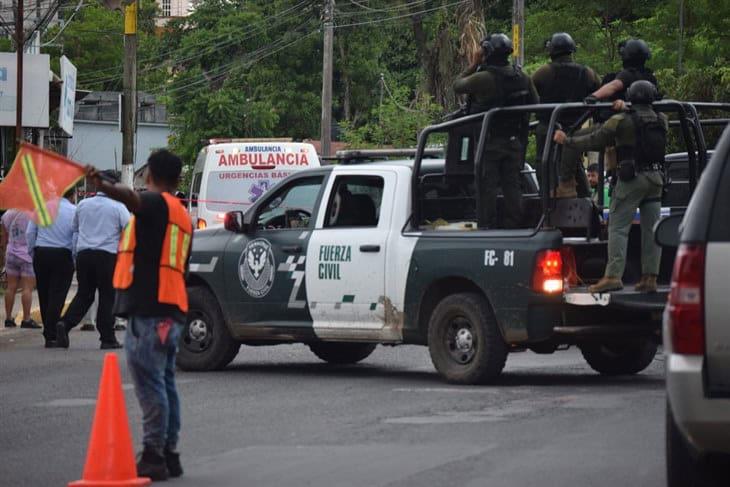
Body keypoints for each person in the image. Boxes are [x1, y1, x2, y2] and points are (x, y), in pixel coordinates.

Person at [87, 149, 192, 481]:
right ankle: (169, 453)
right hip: (172, 310)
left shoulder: (157, 204)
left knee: (150, 384)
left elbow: (131, 198)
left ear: (150, 176)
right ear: (178, 179)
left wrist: (102, 185)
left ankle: (153, 455)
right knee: (165, 383)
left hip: (151, 312)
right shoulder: (181, 213)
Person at [554, 80, 666, 294]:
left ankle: (613, 276)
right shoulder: (661, 120)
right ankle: (650, 278)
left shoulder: (621, 121)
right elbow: (642, 118)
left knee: (618, 227)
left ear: (631, 98)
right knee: (651, 231)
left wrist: (566, 141)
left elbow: (595, 140)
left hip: (632, 180)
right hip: (656, 179)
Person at [453, 33, 539, 229]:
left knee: (487, 188)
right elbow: (536, 104)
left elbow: (457, 85)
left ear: (487, 53)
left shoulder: (483, 78)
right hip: (515, 142)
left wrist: (474, 63)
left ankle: (487, 228)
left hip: (489, 143)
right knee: (513, 186)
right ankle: (514, 227)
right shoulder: (522, 77)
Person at [56, 171, 130, 350]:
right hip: (107, 256)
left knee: (84, 293)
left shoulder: (83, 205)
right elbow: (129, 229)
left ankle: (65, 324)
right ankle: (107, 338)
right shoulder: (118, 207)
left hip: (84, 255)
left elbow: (75, 228)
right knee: (107, 295)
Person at [532, 32, 601, 198]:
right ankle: (586, 200)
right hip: (574, 129)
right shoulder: (587, 73)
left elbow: (529, 92)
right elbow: (600, 92)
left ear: (552, 51)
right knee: (574, 166)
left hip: (548, 129)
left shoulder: (544, 72)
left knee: (545, 165)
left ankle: (547, 205)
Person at [26, 190, 77, 348]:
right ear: (73, 194)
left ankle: (49, 333)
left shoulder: (41, 207)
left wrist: (33, 252)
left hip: (41, 253)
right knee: (58, 294)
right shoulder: (74, 211)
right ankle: (51, 333)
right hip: (63, 254)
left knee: (44, 293)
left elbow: (30, 233)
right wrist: (74, 257)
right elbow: (75, 236)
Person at [1, 209, 40, 329]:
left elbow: (4, 237)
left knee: (10, 287)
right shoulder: (34, 213)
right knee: (27, 288)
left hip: (11, 252)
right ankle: (26, 319)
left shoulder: (8, 213)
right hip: (27, 255)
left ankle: (8, 318)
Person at [588, 39, 658, 103]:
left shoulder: (627, 74)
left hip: (628, 113)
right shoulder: (650, 76)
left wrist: (593, 96)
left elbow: (613, 86)